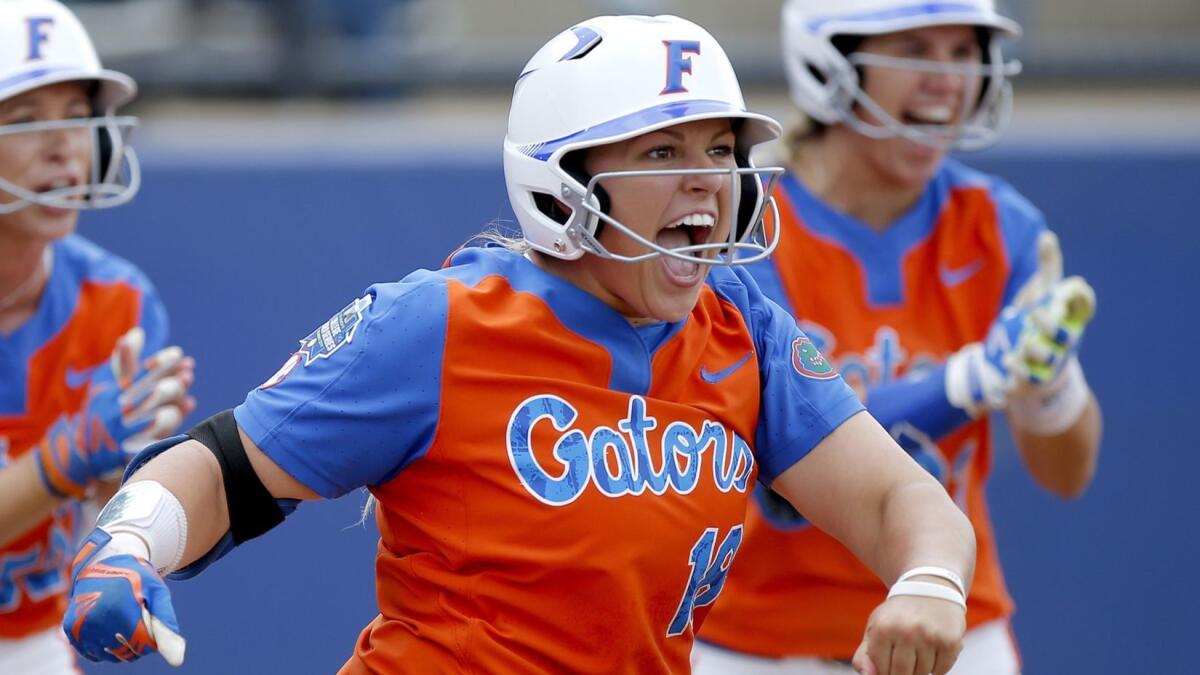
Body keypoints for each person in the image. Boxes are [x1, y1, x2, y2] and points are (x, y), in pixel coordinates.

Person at [62, 15, 974, 675]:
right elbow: (229, 467)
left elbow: (897, 493)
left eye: (719, 151)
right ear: (563, 182)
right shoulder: (440, 322)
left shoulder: (739, 323)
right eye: (662, 153)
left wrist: (931, 579)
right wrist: (128, 545)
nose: (707, 182)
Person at [694, 1, 1103, 674]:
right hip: (757, 639)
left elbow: (1067, 473)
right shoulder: (743, 222)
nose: (947, 78)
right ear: (834, 63)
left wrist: (1049, 384)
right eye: (913, 48)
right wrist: (969, 381)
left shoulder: (999, 225)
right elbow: (784, 484)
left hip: (952, 623)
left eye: (963, 51)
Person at [0, 1, 197, 672]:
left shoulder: (118, 301)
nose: (64, 145)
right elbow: (69, 461)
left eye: (79, 117)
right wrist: (71, 452)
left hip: (33, 639)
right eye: (27, 120)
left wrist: (126, 539)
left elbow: (106, 503)